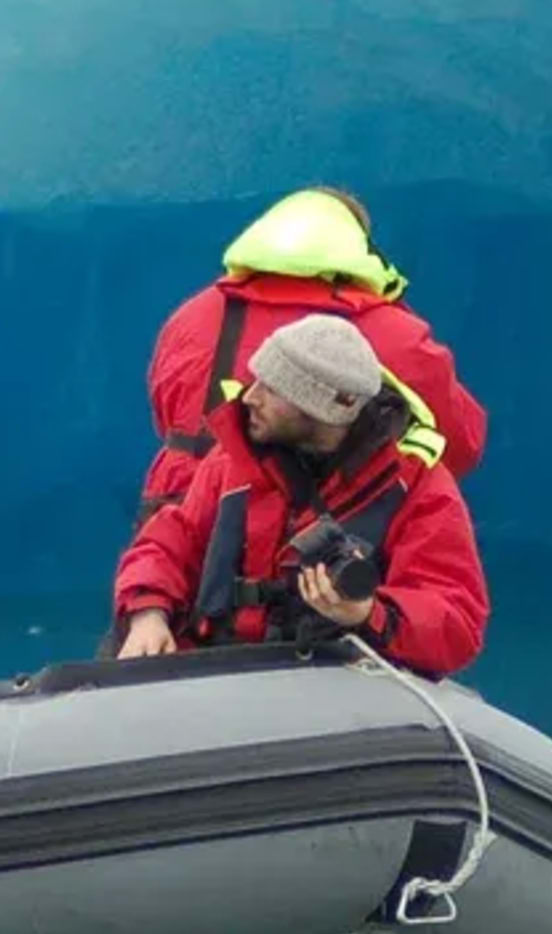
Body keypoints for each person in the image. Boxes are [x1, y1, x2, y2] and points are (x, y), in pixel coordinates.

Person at [115, 314, 489, 676]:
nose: (249, 397)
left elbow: (455, 622)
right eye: (256, 378)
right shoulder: (232, 461)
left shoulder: (416, 487)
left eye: (273, 388)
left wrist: (368, 613)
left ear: (323, 408)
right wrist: (148, 614)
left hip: (339, 691)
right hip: (220, 675)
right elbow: (168, 542)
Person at [139, 187, 485, 522]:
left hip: (177, 522)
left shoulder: (192, 318)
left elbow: (169, 415)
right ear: (358, 249)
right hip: (328, 539)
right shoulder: (396, 333)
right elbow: (458, 443)